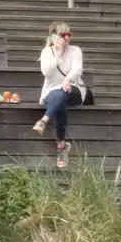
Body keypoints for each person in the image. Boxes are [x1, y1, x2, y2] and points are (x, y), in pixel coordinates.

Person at [34, 21, 85, 168]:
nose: (67, 38)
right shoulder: (47, 52)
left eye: (69, 34)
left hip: (74, 89)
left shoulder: (75, 50)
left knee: (64, 90)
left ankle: (44, 119)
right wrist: (58, 52)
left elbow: (77, 71)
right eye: (64, 35)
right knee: (59, 99)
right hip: (52, 90)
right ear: (54, 37)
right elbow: (47, 72)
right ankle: (62, 145)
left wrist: (67, 80)